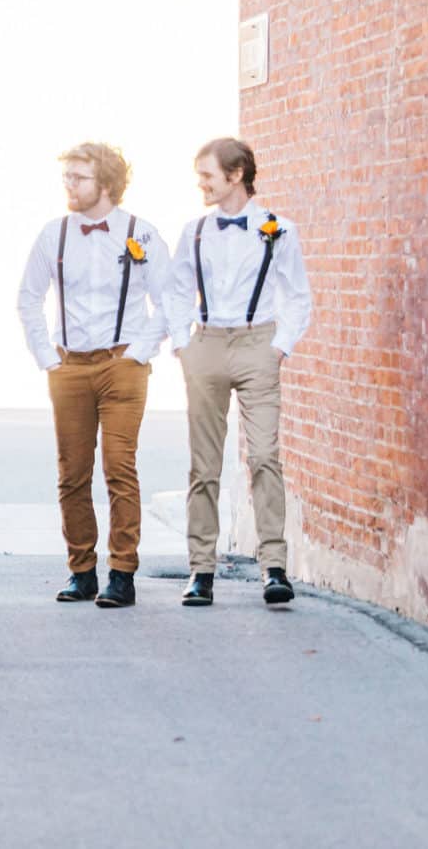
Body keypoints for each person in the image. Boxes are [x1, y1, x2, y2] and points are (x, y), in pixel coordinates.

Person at [17, 142, 172, 609]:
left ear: (105, 184)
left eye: (78, 177)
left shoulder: (141, 234)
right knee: (72, 472)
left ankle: (122, 573)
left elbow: (169, 301)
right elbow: (29, 297)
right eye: (66, 176)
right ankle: (81, 571)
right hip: (69, 366)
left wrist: (139, 353)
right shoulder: (54, 235)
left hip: (122, 364)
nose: (69, 185)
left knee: (119, 468)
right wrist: (47, 357)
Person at [167, 137, 312, 606]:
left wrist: (279, 348)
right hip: (207, 343)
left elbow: (298, 295)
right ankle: (201, 570)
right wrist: (184, 344)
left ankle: (274, 567)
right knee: (204, 464)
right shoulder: (194, 231)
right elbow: (176, 290)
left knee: (265, 456)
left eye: (207, 176)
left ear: (236, 175)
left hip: (257, 344)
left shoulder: (278, 230)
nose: (201, 184)